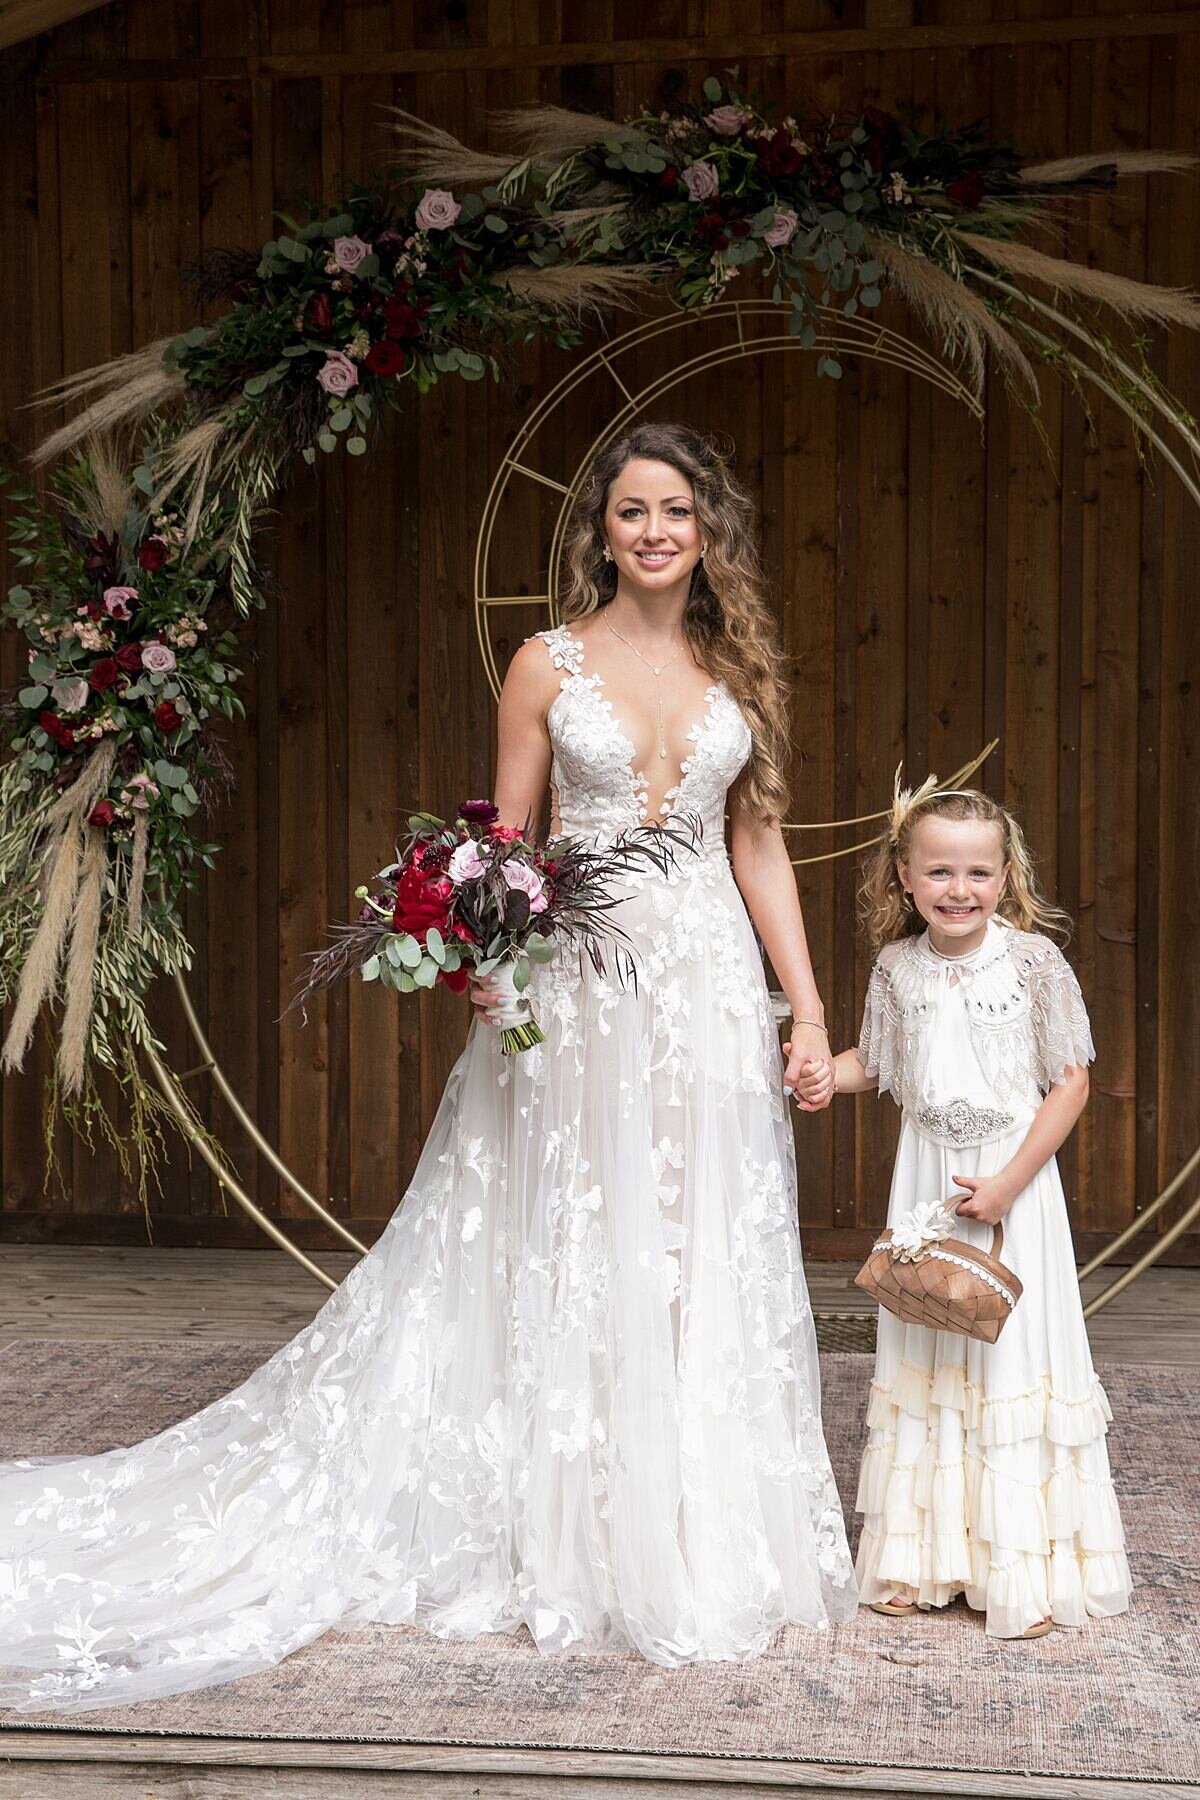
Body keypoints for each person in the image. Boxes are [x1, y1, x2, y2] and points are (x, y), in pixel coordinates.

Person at [0, 422, 855, 1715]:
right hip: (578, 987)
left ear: (708, 526)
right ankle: (562, 1521)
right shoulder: (543, 664)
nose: (655, 532)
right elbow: (503, 843)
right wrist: (496, 970)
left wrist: (803, 1010)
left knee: (695, 1245)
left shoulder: (741, 672)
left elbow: (761, 852)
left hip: (707, 993)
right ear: (601, 530)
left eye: (676, 509)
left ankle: (685, 1521)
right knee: (573, 1232)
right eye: (631, 511)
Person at [792, 781, 1132, 1639]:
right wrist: (829, 1073)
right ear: (904, 876)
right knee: (930, 1347)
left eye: (978, 872)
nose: (959, 889)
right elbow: (884, 1059)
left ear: (1005, 875)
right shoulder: (897, 967)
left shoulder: (1032, 964)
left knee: (1010, 1356)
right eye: (939, 870)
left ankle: (1019, 1567)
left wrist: (1011, 1182)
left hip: (1010, 1180)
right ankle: (923, 1559)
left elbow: (1070, 1081)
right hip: (929, 1180)